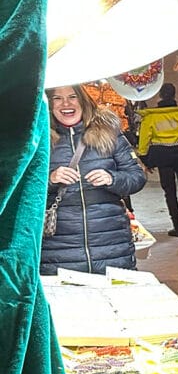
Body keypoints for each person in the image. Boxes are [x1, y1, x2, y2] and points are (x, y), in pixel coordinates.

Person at [42, 85, 146, 275]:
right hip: (58, 248)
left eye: (73, 96)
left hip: (112, 243)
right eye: (58, 98)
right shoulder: (40, 140)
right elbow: (21, 188)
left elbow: (137, 176)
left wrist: (112, 179)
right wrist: (51, 179)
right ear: (50, 104)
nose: (66, 103)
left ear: (83, 101)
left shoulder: (109, 133)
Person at [136, 82, 178, 237]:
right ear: (174, 95)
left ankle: (177, 227)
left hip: (163, 157)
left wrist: (146, 161)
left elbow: (144, 141)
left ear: (160, 96)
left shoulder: (150, 117)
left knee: (169, 192)